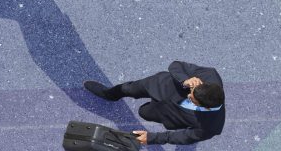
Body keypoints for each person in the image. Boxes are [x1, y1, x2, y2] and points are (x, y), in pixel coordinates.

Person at [85, 61, 226, 146]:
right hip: (158, 85)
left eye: (192, 99)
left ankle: (148, 110)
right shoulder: (210, 74)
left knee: (143, 112)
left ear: (205, 107)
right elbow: (176, 65)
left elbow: (184, 137)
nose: (189, 94)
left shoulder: (211, 127)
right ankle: (109, 94)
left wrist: (152, 138)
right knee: (128, 88)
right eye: (192, 90)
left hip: (166, 113)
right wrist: (185, 80)